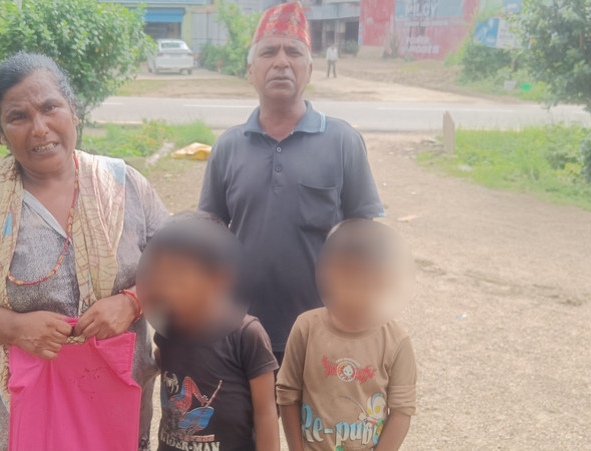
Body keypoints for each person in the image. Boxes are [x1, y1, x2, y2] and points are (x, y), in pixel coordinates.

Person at [0, 53, 169, 451]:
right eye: (18, 117)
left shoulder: (125, 187)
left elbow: (178, 270)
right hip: (17, 422)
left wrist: (132, 302)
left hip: (117, 414)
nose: (39, 128)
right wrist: (15, 328)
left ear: (74, 110)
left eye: (51, 107)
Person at [198, 1, 385, 366]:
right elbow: (208, 237)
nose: (281, 62)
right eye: (269, 52)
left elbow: (364, 237)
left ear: (309, 70)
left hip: (324, 331)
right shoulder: (228, 147)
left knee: (322, 408)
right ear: (250, 71)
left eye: (294, 52)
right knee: (250, 408)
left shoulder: (343, 141)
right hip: (242, 332)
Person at [137, 212, 280, 451]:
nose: (167, 289)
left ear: (219, 278)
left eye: (178, 278)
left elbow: (265, 411)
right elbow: (165, 363)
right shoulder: (169, 326)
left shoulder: (247, 335)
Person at [276, 219, 416, 451]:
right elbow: (287, 394)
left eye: (366, 280)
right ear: (328, 275)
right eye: (346, 277)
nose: (354, 290)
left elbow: (402, 411)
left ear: (384, 281)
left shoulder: (396, 342)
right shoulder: (306, 327)